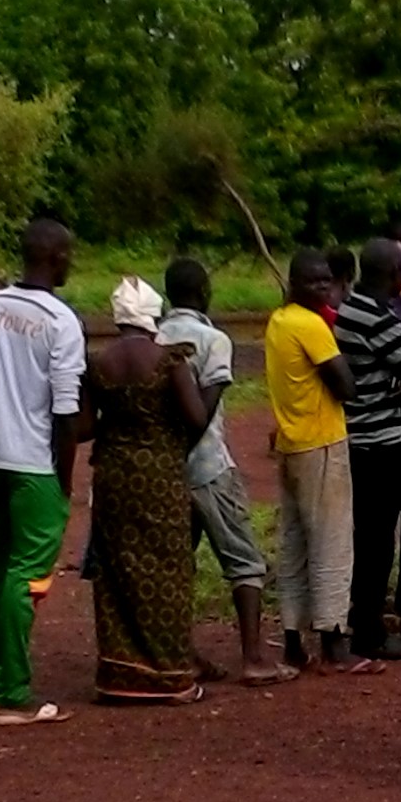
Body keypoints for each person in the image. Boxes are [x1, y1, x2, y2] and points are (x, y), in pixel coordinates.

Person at [0, 217, 85, 724]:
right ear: (55, 257)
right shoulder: (61, 321)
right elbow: (66, 412)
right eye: (70, 254)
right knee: (28, 573)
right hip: (36, 461)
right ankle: (13, 694)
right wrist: (64, 479)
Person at [77, 276, 209, 705]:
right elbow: (194, 418)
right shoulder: (169, 361)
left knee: (117, 571)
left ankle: (120, 675)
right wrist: (214, 389)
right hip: (160, 476)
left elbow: (83, 427)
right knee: (168, 569)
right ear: (156, 315)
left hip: (113, 474)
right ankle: (170, 676)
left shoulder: (97, 364)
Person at [160, 260, 290, 684]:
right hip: (209, 466)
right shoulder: (213, 340)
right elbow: (204, 412)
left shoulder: (153, 338)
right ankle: (253, 658)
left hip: (165, 472)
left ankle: (181, 653)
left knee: (177, 566)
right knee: (245, 562)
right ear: (204, 292)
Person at [266, 249, 370, 675]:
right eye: (313, 282)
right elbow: (346, 385)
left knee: (295, 545)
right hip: (322, 442)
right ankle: (333, 640)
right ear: (295, 282)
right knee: (331, 542)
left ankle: (293, 639)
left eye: (326, 281)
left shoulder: (277, 320)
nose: (322, 288)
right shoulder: (312, 326)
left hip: (291, 443)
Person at [337, 238, 401, 663]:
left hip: (361, 436)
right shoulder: (379, 318)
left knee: (376, 529)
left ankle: (385, 610)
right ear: (394, 274)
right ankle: (375, 626)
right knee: (393, 528)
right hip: (379, 440)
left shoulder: (353, 306)